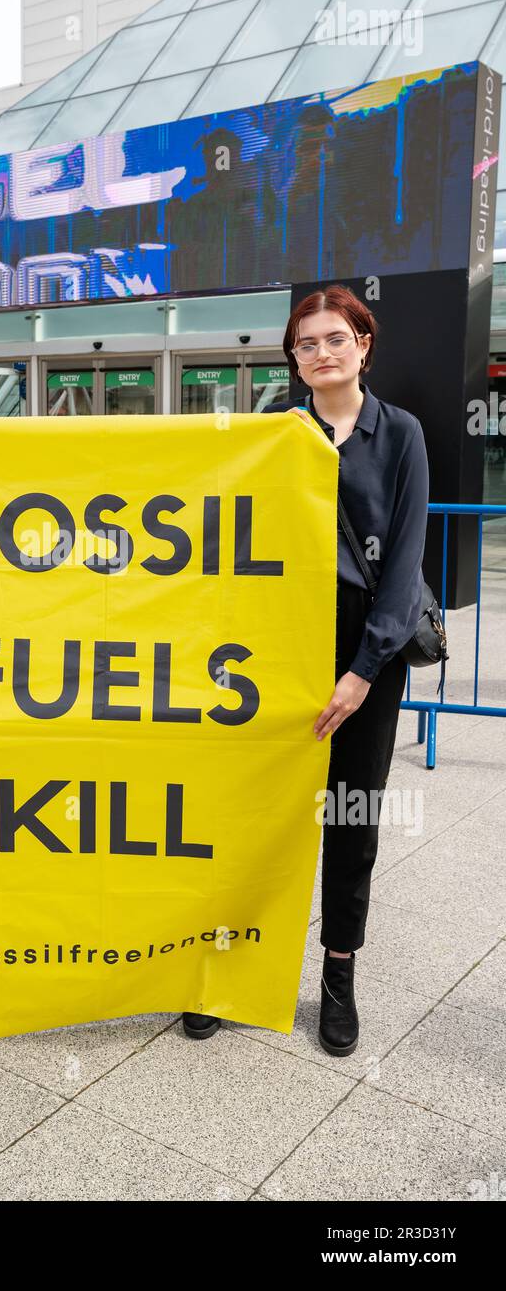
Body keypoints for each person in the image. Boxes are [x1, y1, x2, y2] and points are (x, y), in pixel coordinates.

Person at [182, 284, 429, 1055]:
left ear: (364, 342)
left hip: (368, 652)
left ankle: (337, 977)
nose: (319, 353)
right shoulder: (273, 431)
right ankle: (229, 970)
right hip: (275, 648)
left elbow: (405, 564)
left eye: (333, 338)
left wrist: (361, 674)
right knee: (255, 815)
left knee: (350, 822)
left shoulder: (402, 435)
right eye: (304, 344)